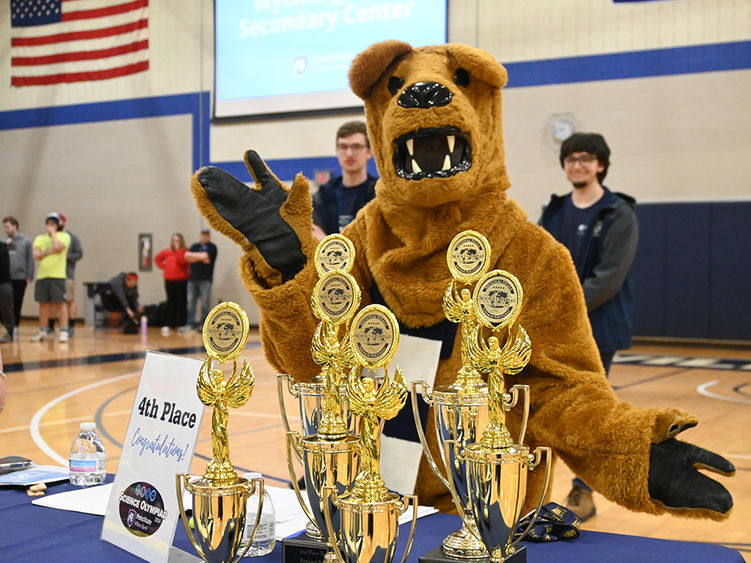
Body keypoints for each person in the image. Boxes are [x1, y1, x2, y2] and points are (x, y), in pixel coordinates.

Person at [539, 132, 639, 521]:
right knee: (547, 410)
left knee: (589, 414)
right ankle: (534, 486)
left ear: (600, 164)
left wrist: (564, 307)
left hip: (598, 329)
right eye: (571, 159)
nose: (577, 165)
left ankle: (583, 491)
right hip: (552, 329)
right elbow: (538, 260)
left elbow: (610, 277)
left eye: (585, 159)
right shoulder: (554, 210)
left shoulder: (619, 213)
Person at [312, 120, 377, 238]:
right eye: (343, 147)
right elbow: (314, 233)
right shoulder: (322, 197)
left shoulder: (380, 194)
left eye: (356, 146)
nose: (349, 153)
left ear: (369, 152)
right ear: (337, 151)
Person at [31, 213, 71, 343]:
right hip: (42, 275)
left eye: (53, 224)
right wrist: (49, 251)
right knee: (43, 304)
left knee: (60, 303)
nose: (50, 226)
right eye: (48, 223)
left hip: (57, 276)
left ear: (58, 224)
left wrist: (53, 234)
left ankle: (64, 330)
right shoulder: (39, 238)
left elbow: (59, 247)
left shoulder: (64, 236)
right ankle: (43, 330)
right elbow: (36, 255)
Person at [47, 213, 83, 337]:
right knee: (52, 301)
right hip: (53, 273)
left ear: (63, 222)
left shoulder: (72, 237)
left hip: (67, 274)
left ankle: (71, 326)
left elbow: (79, 253)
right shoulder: (51, 237)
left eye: (58, 221)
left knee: (69, 300)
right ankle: (50, 326)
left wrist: (64, 257)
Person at [181, 228, 218, 332]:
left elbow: (206, 257)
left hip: (205, 280)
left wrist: (196, 257)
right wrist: (201, 257)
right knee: (190, 302)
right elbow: (186, 256)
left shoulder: (212, 247)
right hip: (192, 280)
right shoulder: (194, 246)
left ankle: (203, 324)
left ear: (209, 236)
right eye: (203, 234)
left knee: (205, 303)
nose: (205, 236)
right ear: (200, 235)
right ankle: (190, 323)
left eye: (207, 235)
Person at [3, 217, 34, 334]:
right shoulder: (3, 241)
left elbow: (29, 259)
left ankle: (15, 325)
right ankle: (7, 324)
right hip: (6, 278)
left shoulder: (25, 241)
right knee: (5, 303)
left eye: (8, 226)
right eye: (5, 227)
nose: (6, 229)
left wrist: (29, 275)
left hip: (20, 276)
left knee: (17, 302)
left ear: (15, 226)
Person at [155, 233, 189, 333]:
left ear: (181, 241)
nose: (175, 243)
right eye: (174, 240)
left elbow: (183, 263)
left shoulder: (185, 251)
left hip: (181, 280)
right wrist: (164, 267)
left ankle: (182, 323)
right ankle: (170, 323)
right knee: (171, 302)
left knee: (181, 302)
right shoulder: (167, 251)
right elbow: (157, 258)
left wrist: (178, 251)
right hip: (169, 280)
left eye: (177, 241)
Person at [0, 243, 14, 343]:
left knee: (6, 309)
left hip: (3, 283)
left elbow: (4, 266)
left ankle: (9, 332)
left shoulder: (2, 247)